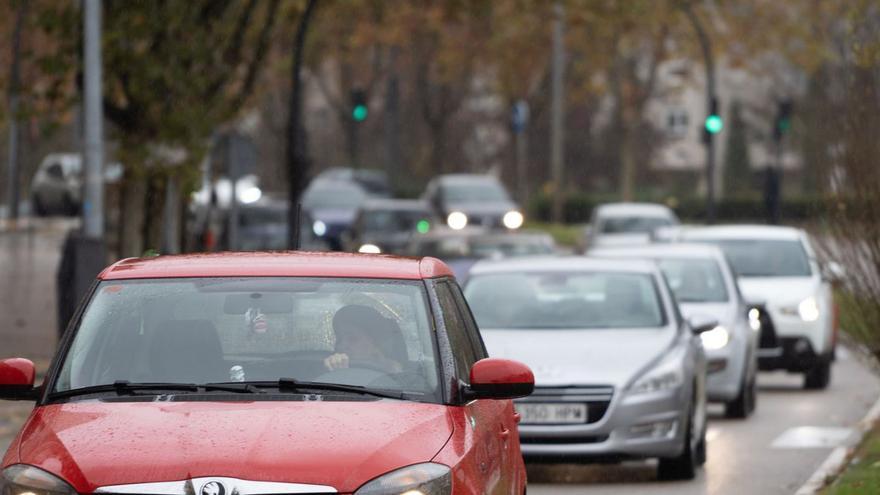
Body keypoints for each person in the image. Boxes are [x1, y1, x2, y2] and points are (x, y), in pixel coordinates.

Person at [324, 304, 406, 373]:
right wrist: (336, 371)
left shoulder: (395, 372)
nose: (342, 345)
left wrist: (395, 373)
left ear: (375, 343)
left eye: (352, 338)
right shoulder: (327, 368)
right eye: (339, 338)